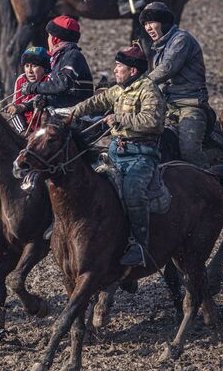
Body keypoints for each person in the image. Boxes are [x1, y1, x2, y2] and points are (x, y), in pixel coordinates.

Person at [71, 45, 166, 267]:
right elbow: (95, 102)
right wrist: (71, 113)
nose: (115, 70)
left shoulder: (148, 90)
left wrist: (121, 118)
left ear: (132, 70)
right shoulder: (118, 89)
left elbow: (153, 121)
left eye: (119, 66)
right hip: (116, 151)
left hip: (142, 155)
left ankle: (140, 246)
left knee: (133, 192)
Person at [140, 2, 214, 169]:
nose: (148, 27)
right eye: (145, 24)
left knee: (189, 150)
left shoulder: (182, 39)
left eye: (152, 22)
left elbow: (167, 68)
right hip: (167, 107)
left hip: (191, 105)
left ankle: (212, 184)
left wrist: (138, 86)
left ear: (164, 22)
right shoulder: (158, 48)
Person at [20, 16, 94, 110]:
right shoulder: (61, 56)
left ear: (55, 39)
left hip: (78, 109)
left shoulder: (72, 55)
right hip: (67, 105)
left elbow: (62, 84)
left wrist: (33, 87)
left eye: (49, 36)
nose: (48, 40)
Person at [6, 46, 51, 134]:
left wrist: (23, 106)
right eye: (27, 66)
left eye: (34, 66)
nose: (29, 71)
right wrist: (24, 133)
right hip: (26, 129)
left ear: (44, 68)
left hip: (46, 130)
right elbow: (15, 108)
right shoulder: (21, 80)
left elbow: (44, 100)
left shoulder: (49, 80)